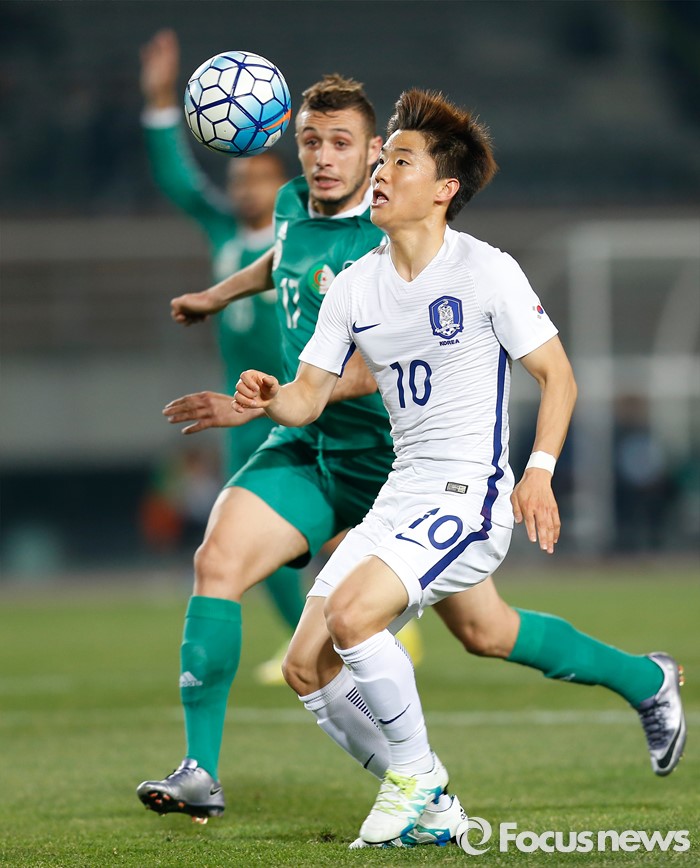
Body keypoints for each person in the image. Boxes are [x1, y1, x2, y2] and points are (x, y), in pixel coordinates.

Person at [138, 76, 685, 844]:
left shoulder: (480, 269)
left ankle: (422, 774)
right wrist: (261, 393)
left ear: (439, 188)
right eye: (322, 144)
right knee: (309, 655)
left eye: (394, 160)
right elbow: (304, 374)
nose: (374, 171)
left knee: (381, 621)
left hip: (454, 485)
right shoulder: (348, 275)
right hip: (383, 480)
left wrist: (538, 472)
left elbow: (551, 375)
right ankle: (446, 793)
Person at [139, 29, 306, 682]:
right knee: (253, 541)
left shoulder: (302, 234)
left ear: (283, 185)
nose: (243, 189)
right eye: (237, 178)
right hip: (244, 416)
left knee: (338, 527)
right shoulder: (223, 234)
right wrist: (160, 103)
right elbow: (178, 181)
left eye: (258, 177)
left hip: (305, 406)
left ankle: (374, 629)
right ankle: (310, 642)